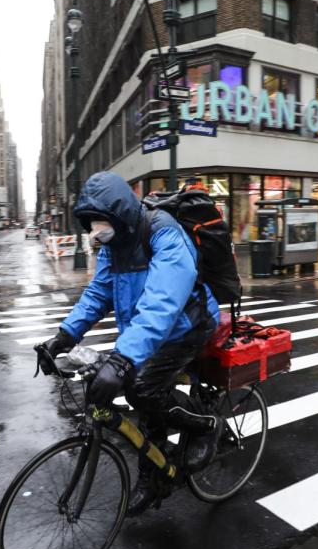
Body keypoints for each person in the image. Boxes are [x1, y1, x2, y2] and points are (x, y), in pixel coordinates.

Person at [37, 171, 222, 515]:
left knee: (142, 388)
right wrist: (63, 337)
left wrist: (123, 360)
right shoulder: (115, 244)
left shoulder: (162, 230)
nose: (96, 233)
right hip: (149, 330)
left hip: (188, 325)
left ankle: (205, 426)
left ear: (119, 216)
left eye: (101, 224)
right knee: (145, 401)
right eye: (91, 225)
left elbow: (163, 303)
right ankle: (155, 478)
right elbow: (99, 292)